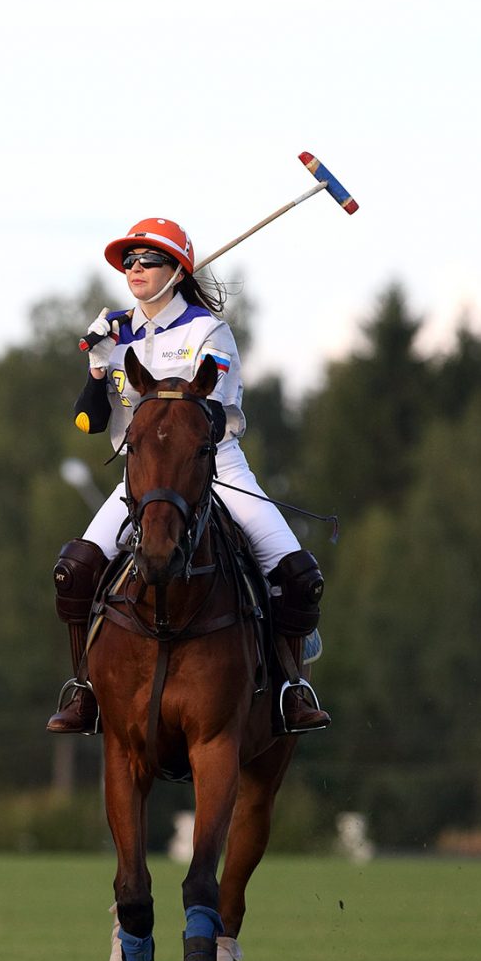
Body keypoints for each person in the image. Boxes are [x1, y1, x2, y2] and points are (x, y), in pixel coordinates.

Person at [47, 217, 330, 736]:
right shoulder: (115, 333)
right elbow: (88, 422)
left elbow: (214, 412)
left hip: (213, 464)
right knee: (75, 571)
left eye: (147, 260)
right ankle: (85, 689)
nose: (134, 268)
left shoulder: (206, 330)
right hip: (143, 477)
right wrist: (97, 366)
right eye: (128, 261)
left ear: (176, 270)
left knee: (298, 577)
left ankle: (291, 686)